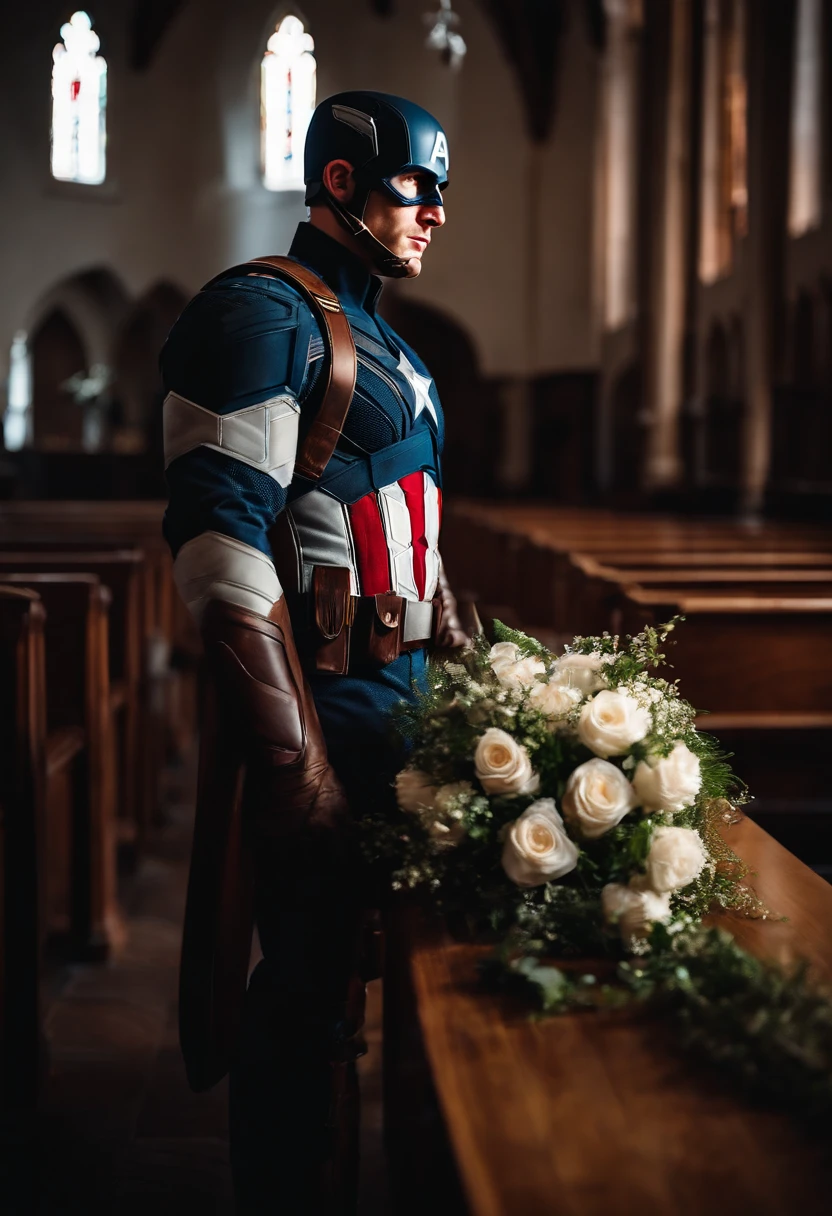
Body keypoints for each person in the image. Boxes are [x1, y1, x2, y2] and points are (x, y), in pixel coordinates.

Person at [160, 91, 467, 1212]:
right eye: (411, 187)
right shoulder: (263, 314)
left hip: (408, 709)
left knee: (365, 987)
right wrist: (293, 767)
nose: (433, 212)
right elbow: (218, 541)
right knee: (301, 1002)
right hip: (328, 714)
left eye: (440, 191)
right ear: (338, 183)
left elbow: (412, 532)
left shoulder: (385, 339)